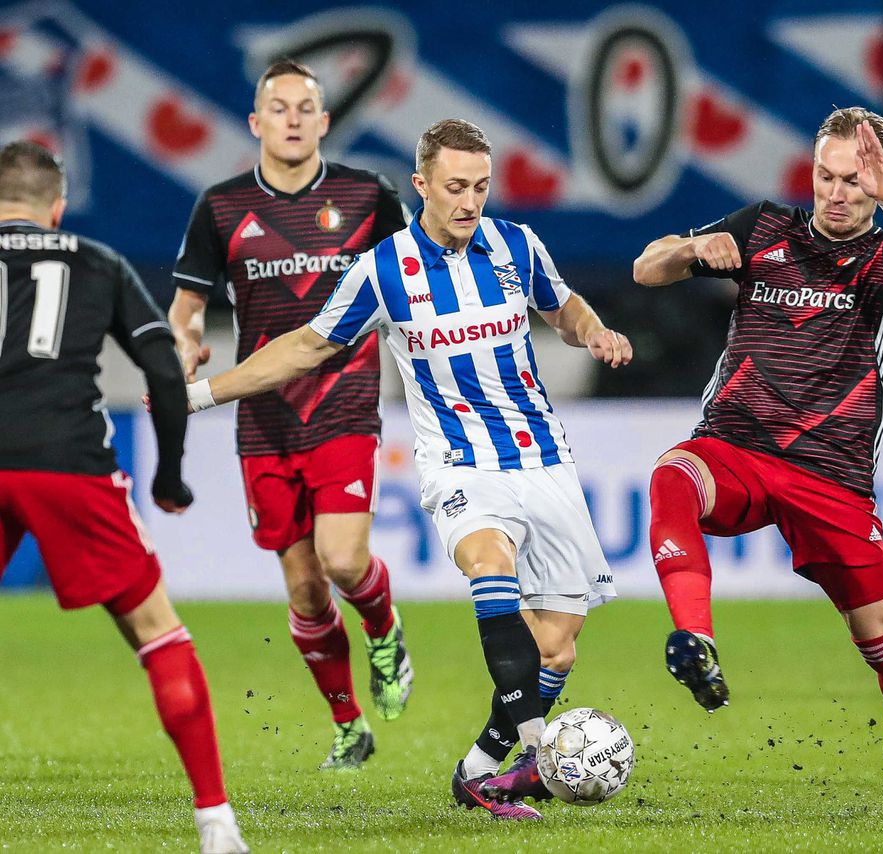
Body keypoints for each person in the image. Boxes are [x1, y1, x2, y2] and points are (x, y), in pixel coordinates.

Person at [183, 118, 631, 820]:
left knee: (558, 648)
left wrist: (594, 330)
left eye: (481, 186)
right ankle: (542, 746)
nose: (470, 200)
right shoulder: (383, 268)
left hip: (544, 456)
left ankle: (479, 772)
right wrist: (202, 394)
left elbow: (562, 306)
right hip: (457, 461)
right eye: (456, 186)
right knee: (490, 563)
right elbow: (305, 346)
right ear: (421, 184)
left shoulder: (518, 245)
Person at [632, 108, 883, 815]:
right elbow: (647, 266)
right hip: (738, 448)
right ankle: (695, 639)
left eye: (854, 179)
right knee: (671, 474)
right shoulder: (763, 228)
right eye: (826, 175)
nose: (837, 191)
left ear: (878, 181)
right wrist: (698, 252)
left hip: (833, 476)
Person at [0, 141, 248, 853]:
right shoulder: (95, 261)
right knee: (156, 631)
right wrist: (168, 477)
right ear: (56, 206)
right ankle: (215, 824)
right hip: (66, 462)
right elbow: (165, 377)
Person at [168, 60, 413, 769]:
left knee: (342, 559)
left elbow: (414, 282)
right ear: (256, 123)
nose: (294, 117)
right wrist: (183, 345)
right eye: (279, 107)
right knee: (305, 587)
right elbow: (186, 310)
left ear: (326, 120)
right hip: (262, 418)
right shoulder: (219, 207)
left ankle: (384, 627)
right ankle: (348, 725)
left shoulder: (369, 197)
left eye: (307, 106)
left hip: (345, 403)